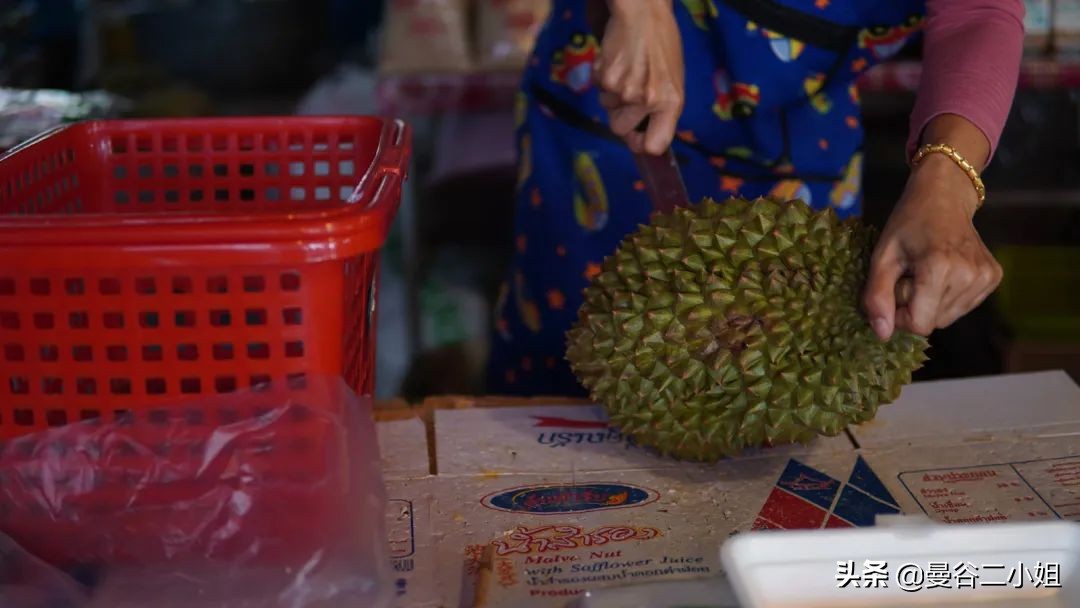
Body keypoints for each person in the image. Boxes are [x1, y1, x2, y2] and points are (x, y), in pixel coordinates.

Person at [487, 0, 1024, 397]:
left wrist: (948, 180)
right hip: (614, 94)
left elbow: (977, 10)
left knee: (797, 386)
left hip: (800, 133)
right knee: (562, 377)